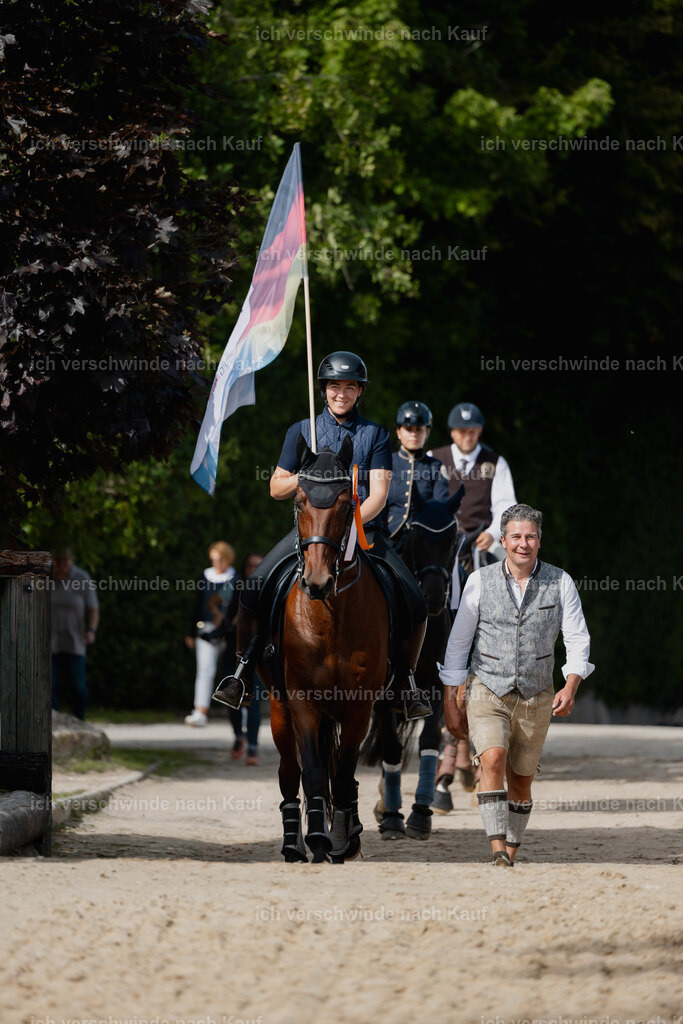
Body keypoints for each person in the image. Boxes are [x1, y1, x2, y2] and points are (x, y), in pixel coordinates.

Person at [213, 350, 430, 720]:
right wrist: (307, 475)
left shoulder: (375, 433)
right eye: (334, 386)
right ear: (324, 390)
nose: (341, 393)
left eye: (349, 387)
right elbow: (276, 488)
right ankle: (242, 673)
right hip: (312, 534)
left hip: (364, 531)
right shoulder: (301, 431)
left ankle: (405, 683)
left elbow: (379, 494)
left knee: (415, 599)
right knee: (253, 589)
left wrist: (350, 525)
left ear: (360, 392)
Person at [440, 503, 594, 866]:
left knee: (521, 780)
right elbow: (459, 644)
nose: (523, 543)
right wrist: (450, 698)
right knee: (492, 758)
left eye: (530, 537)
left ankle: (510, 849)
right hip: (486, 687)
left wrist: (570, 686)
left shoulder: (561, 582)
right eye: (516, 536)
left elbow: (577, 639)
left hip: (536, 694)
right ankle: (497, 848)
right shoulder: (479, 581)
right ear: (503, 540)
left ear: (539, 541)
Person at [431, 402, 517, 574]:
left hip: (481, 542)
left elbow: (506, 505)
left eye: (472, 431)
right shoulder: (433, 458)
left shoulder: (496, 463)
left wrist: (492, 533)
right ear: (452, 432)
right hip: (440, 539)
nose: (468, 437)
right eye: (462, 432)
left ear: (480, 431)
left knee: (512, 572)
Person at [184, 541, 239, 727]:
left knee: (233, 672)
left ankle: (240, 712)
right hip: (208, 630)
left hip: (229, 632)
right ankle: (200, 711)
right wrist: (191, 633)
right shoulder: (205, 576)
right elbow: (198, 605)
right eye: (213, 559)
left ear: (228, 559)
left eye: (219, 559)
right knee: (205, 670)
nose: (216, 563)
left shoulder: (236, 578)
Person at [386, 400, 450, 549]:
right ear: (398, 432)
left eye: (419, 429)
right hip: (388, 537)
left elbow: (439, 509)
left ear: (427, 432)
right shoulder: (386, 463)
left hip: (424, 542)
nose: (414, 434)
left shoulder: (436, 467)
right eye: (409, 429)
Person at [51, 547, 99, 721]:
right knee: (49, 687)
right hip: (49, 644)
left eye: (65, 561)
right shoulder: (45, 577)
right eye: (58, 561)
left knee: (79, 688)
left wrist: (91, 630)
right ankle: (52, 724)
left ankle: (79, 721)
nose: (62, 565)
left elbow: (93, 609)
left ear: (71, 560)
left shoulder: (82, 577)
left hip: (75, 642)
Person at [227, 553, 264, 765]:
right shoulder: (237, 588)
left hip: (257, 655)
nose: (253, 569)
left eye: (257, 566)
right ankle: (239, 736)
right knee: (230, 699)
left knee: (253, 702)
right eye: (250, 566)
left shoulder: (268, 589)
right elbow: (228, 617)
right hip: (235, 652)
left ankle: (252, 747)